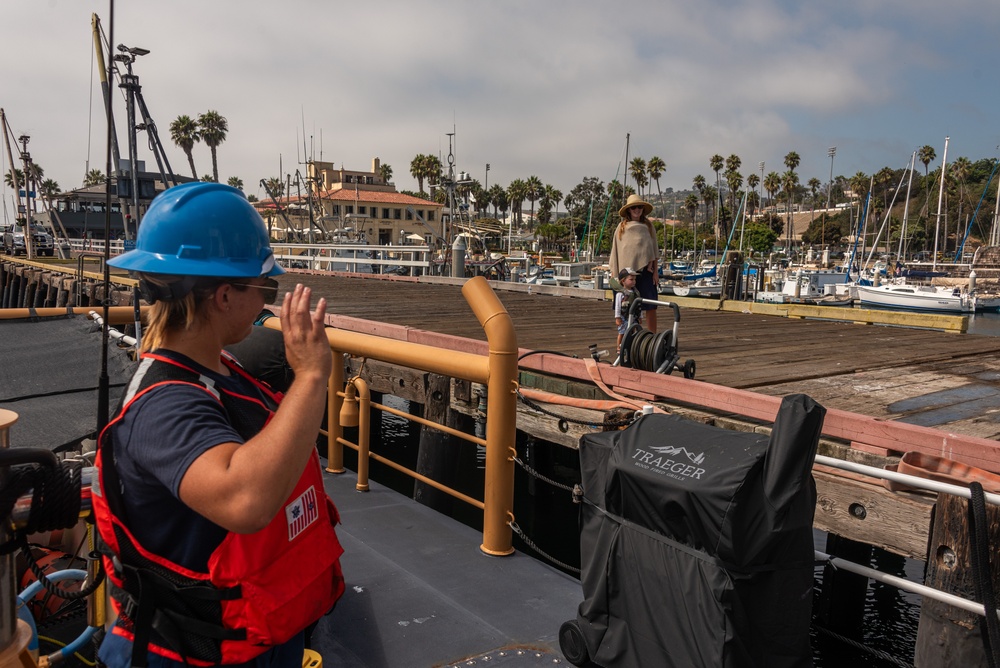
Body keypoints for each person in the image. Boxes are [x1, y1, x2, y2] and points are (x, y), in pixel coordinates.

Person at [92, 182, 345, 668]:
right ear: (224, 296)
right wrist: (312, 376)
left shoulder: (220, 369)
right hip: (194, 652)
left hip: (251, 638)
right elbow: (244, 500)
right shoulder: (162, 406)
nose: (267, 300)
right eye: (263, 287)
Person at [609, 194, 659, 332]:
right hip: (626, 275)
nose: (637, 210)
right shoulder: (621, 228)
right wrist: (615, 274)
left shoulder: (649, 226)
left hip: (646, 272)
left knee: (651, 305)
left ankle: (652, 337)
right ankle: (626, 338)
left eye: (640, 207)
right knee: (627, 307)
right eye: (634, 207)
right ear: (629, 210)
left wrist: (656, 272)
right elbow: (616, 252)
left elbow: (654, 251)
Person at [614, 267, 639, 352]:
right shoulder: (620, 294)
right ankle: (619, 347)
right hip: (623, 317)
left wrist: (640, 316)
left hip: (634, 316)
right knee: (622, 332)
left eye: (634, 279)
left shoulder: (636, 293)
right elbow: (617, 306)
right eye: (631, 279)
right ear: (623, 281)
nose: (634, 281)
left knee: (634, 331)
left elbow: (639, 305)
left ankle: (632, 346)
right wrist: (617, 317)